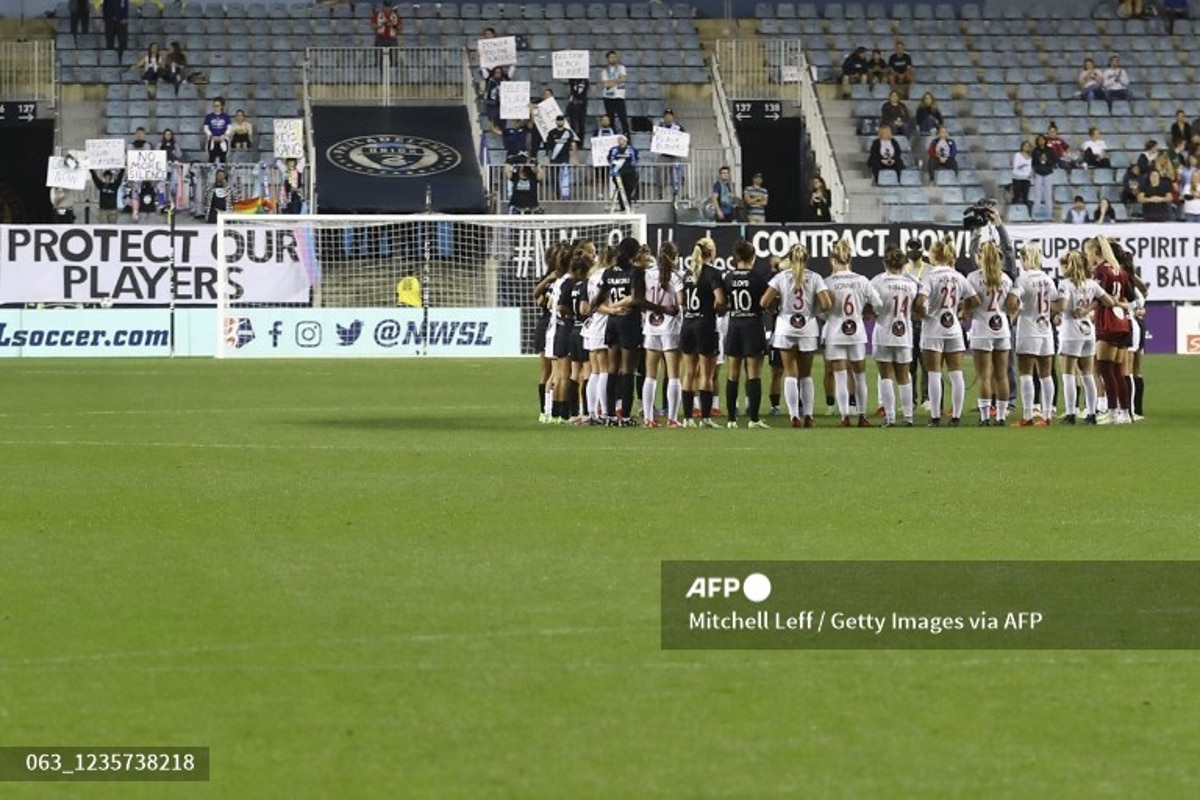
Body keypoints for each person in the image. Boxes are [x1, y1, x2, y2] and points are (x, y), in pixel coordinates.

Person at [761, 243, 830, 427]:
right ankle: (808, 415)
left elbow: (764, 301)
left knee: (790, 373)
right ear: (806, 259)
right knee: (806, 375)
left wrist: (776, 307)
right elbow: (826, 303)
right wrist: (813, 310)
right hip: (807, 326)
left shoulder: (781, 277)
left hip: (785, 326)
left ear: (789, 259)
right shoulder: (815, 277)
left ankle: (793, 416)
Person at [915, 236, 979, 426]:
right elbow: (975, 300)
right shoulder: (958, 276)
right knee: (956, 373)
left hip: (933, 328)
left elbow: (919, 301)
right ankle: (956, 416)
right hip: (953, 328)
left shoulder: (930, 276)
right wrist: (962, 311)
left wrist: (923, 314)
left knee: (934, 373)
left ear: (934, 255)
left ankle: (935, 417)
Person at [823, 239, 883, 427]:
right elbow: (878, 304)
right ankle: (862, 416)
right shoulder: (861, 280)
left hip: (835, 332)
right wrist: (868, 313)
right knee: (860, 375)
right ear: (850, 259)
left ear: (833, 260)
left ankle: (844, 416)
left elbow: (820, 308)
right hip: (856, 332)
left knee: (840, 375)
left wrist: (829, 316)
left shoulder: (828, 282)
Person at [1057, 249, 1113, 424]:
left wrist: (1057, 307)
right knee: (1087, 374)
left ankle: (1071, 413)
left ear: (1067, 266)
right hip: (1088, 332)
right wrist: (1088, 309)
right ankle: (1091, 414)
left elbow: (1063, 305)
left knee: (1068, 375)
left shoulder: (1065, 284)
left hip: (1070, 332)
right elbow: (1109, 301)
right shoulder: (1091, 284)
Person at [966, 241, 1018, 425]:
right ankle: (1002, 416)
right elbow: (1012, 307)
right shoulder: (1006, 278)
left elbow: (969, 305)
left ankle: (985, 416)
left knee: (985, 376)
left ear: (980, 257)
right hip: (1002, 328)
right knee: (1002, 375)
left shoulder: (972, 278)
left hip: (981, 328)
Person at [721, 240, 772, 429]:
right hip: (752, 326)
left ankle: (731, 420)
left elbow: (721, 301)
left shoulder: (728, 277)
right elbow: (766, 302)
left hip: (734, 325)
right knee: (754, 374)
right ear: (752, 257)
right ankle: (754, 419)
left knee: (732, 374)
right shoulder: (758, 278)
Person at [870, 246, 919, 426]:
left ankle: (890, 418)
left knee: (885, 376)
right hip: (904, 332)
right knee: (904, 376)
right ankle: (908, 417)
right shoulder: (911, 283)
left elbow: (872, 307)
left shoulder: (877, 282)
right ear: (904, 263)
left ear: (885, 263)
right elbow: (917, 305)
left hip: (883, 330)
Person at [679, 237, 726, 427]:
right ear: (712, 252)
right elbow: (720, 300)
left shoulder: (688, 273)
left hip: (688, 324)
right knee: (706, 374)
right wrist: (716, 308)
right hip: (705, 325)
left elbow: (682, 299)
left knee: (689, 373)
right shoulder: (712, 273)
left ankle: (688, 418)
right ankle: (706, 417)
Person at [1088, 236, 1135, 424]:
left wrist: (1086, 310)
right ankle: (1125, 413)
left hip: (1107, 321)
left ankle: (1113, 411)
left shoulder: (1101, 271)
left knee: (1104, 369)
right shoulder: (1120, 270)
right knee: (1117, 370)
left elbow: (1099, 297)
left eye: (1088, 252)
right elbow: (1130, 297)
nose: (1087, 256)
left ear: (1096, 251)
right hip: (1122, 321)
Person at [638, 242, 684, 427]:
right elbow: (680, 303)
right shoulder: (676, 276)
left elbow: (640, 299)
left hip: (650, 326)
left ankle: (649, 418)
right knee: (673, 375)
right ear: (675, 256)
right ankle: (672, 419)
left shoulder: (647, 274)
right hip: (670, 328)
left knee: (650, 375)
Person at [597, 237, 643, 425]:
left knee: (612, 369)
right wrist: (619, 307)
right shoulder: (635, 272)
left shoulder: (608, 272)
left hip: (612, 322)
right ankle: (624, 416)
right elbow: (634, 298)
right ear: (635, 253)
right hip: (628, 322)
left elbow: (596, 303)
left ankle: (608, 415)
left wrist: (611, 310)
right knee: (627, 370)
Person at [1013, 244, 1059, 426]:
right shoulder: (1048, 279)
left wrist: (1015, 310)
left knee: (1026, 374)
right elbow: (1055, 302)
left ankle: (1028, 415)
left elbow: (1014, 300)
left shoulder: (1023, 279)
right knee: (1046, 375)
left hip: (1028, 329)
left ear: (1025, 259)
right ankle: (1047, 416)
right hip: (1045, 329)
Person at [543, 115, 577, 199]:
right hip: (554, 159)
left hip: (565, 158)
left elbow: (573, 144)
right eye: (558, 120)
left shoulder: (568, 132)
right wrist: (546, 158)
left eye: (561, 120)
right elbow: (548, 147)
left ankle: (565, 195)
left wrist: (574, 158)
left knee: (565, 177)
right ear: (556, 121)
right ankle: (556, 194)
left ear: (564, 121)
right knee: (554, 178)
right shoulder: (551, 132)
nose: (560, 122)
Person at [599, 50, 629, 137]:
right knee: (610, 119)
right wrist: (617, 81)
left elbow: (623, 79)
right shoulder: (604, 71)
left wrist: (611, 83)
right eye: (611, 57)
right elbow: (605, 84)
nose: (613, 59)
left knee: (623, 119)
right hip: (608, 97)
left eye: (615, 57)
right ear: (607, 59)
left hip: (619, 96)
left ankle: (627, 138)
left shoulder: (621, 68)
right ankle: (612, 137)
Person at [657, 108, 685, 198]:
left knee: (675, 175)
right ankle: (661, 194)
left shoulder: (679, 128)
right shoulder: (660, 128)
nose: (668, 118)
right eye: (666, 116)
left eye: (670, 116)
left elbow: (684, 140)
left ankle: (676, 194)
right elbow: (654, 141)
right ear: (664, 117)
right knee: (661, 175)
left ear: (673, 117)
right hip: (663, 155)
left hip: (675, 155)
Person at [607, 135, 638, 210]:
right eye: (619, 139)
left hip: (629, 173)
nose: (620, 141)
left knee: (629, 189)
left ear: (625, 140)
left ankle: (628, 205)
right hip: (617, 173)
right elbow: (610, 159)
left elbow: (635, 159)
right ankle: (622, 206)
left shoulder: (631, 149)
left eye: (621, 139)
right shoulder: (613, 149)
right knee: (620, 189)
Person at [1030, 134, 1056, 219]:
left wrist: (1047, 162)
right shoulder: (1035, 151)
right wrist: (1036, 170)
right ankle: (1034, 215)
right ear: (1037, 141)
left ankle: (1050, 215)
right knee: (1037, 195)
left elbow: (1054, 160)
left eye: (1043, 140)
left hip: (1048, 173)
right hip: (1038, 173)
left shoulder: (1050, 150)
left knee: (1048, 195)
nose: (1041, 142)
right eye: (1039, 140)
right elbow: (1033, 163)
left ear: (1045, 140)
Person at [203, 97, 232, 164]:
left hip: (223, 140)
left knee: (223, 159)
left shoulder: (226, 116)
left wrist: (224, 136)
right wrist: (211, 136)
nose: (216, 107)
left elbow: (229, 128)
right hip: (212, 139)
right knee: (211, 159)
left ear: (221, 106)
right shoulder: (209, 116)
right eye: (214, 106)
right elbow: (206, 128)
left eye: (218, 105)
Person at [565, 74, 589, 146]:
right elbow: (568, 92)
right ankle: (572, 140)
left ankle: (580, 142)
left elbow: (587, 90)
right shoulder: (571, 80)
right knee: (573, 124)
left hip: (582, 105)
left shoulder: (585, 80)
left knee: (581, 124)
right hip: (573, 104)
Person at [1011, 140, 1033, 210]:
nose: (1026, 147)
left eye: (1028, 146)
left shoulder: (1031, 157)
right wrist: (1023, 165)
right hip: (1017, 178)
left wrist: (1030, 173)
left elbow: (1031, 167)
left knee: (1025, 197)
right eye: (1025, 146)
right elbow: (1016, 166)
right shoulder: (1017, 155)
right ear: (1022, 147)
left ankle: (1025, 213)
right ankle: (1013, 211)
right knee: (1016, 196)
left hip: (1026, 179)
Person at [483, 67, 506, 133]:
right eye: (496, 72)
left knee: (502, 121)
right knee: (493, 119)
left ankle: (500, 130)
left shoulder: (504, 81)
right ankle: (494, 128)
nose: (498, 74)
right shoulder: (490, 80)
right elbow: (484, 74)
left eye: (499, 73)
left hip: (502, 105)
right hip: (492, 104)